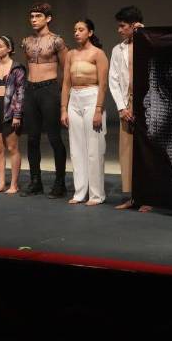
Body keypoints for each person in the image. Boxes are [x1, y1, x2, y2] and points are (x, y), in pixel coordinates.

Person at [20, 2, 69, 197]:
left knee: (54, 138)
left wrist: (64, 96)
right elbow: (29, 64)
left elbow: (66, 71)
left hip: (49, 89)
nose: (33, 20)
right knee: (32, 139)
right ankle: (35, 181)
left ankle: (60, 183)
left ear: (48, 18)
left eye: (38, 16)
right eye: (31, 16)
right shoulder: (26, 41)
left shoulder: (57, 41)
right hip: (31, 90)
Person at [109, 6, 152, 212]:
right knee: (127, 151)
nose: (119, 30)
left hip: (149, 105)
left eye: (123, 26)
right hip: (128, 102)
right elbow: (114, 80)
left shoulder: (151, 44)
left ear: (134, 26)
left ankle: (149, 196)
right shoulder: (118, 50)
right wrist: (121, 107)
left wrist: (145, 35)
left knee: (146, 149)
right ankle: (133, 196)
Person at [61, 20, 108, 205]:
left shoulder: (98, 53)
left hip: (92, 95)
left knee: (94, 148)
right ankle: (80, 192)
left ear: (90, 32)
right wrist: (63, 108)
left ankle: (97, 194)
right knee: (77, 148)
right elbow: (65, 83)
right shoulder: (70, 54)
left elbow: (103, 84)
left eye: (81, 29)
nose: (77, 33)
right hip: (75, 98)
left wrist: (98, 109)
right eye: (75, 30)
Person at [0, 36, 25, 194]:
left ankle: (14, 184)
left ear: (9, 49)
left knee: (12, 147)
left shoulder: (17, 68)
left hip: (11, 109)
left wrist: (17, 114)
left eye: (0, 46)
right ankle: (1, 183)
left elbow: (21, 92)